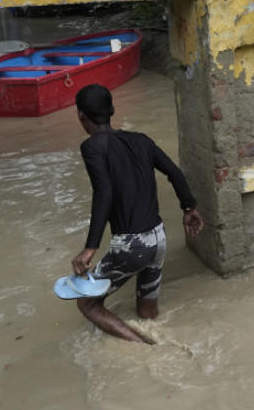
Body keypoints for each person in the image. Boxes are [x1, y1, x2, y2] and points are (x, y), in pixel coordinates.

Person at [69, 83, 204, 343]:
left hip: (132, 244)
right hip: (158, 238)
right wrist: (189, 208)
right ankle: (158, 340)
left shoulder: (92, 147)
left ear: (81, 116)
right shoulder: (141, 140)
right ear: (112, 110)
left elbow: (104, 191)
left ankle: (142, 348)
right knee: (147, 312)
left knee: (86, 303)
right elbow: (175, 173)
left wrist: (90, 247)